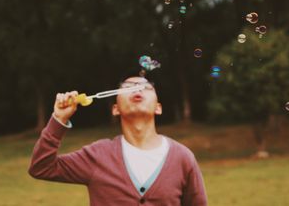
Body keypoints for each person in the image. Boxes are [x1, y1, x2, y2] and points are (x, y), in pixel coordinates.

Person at [28, 76, 208, 206]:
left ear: (158, 108)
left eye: (145, 87)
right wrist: (58, 120)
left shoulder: (182, 158)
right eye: (128, 87)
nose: (137, 89)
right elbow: (41, 167)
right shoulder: (98, 155)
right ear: (115, 109)